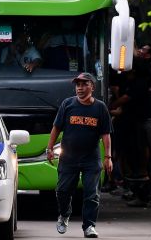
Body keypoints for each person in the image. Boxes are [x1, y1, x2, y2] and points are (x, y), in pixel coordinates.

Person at [46, 72, 112, 238]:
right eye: (78, 85)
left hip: (91, 158)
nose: (80, 88)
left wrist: (108, 157)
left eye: (84, 84)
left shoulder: (100, 108)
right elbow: (56, 128)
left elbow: (106, 134)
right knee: (62, 191)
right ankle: (64, 214)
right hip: (69, 158)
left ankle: (89, 226)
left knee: (92, 194)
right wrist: (49, 148)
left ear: (92, 87)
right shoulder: (67, 104)